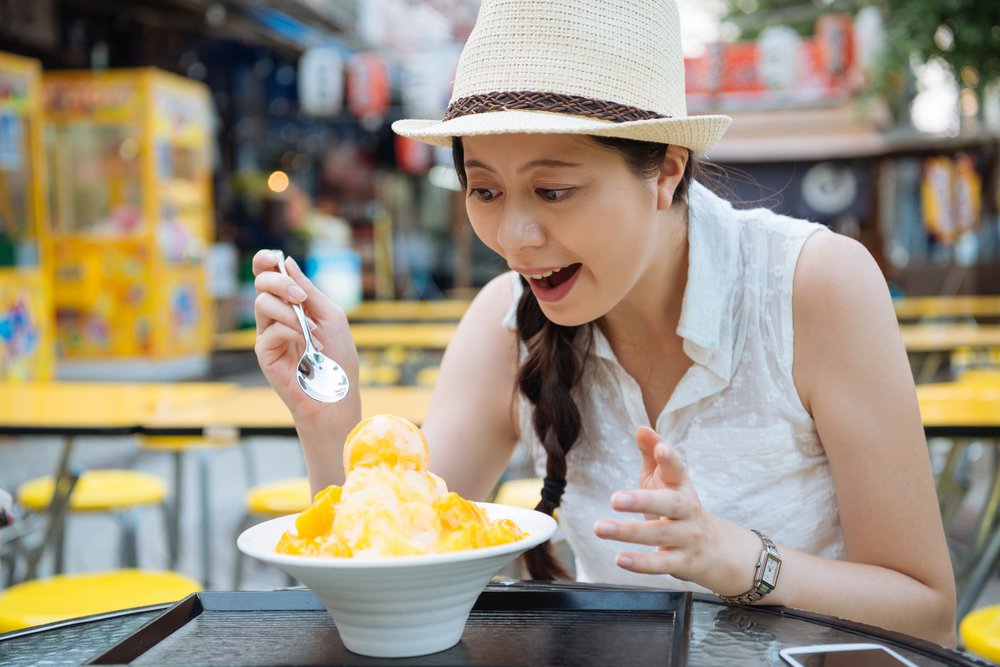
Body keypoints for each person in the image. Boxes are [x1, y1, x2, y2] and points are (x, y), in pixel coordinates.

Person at [252, 0, 956, 645]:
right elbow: (395, 569)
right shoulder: (504, 325)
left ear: (666, 172)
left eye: (553, 189)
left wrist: (735, 557)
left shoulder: (813, 286)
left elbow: (925, 609)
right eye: (485, 190)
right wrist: (328, 417)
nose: (516, 235)